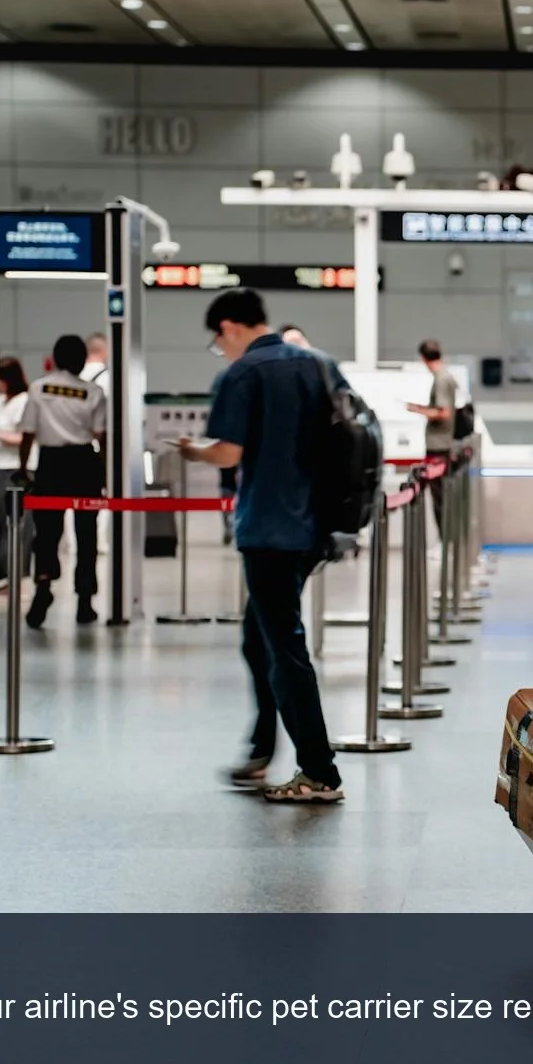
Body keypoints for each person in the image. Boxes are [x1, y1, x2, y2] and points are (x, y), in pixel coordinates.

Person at [178, 289, 344, 804]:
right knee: (259, 639)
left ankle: (319, 771)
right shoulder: (319, 365)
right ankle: (261, 748)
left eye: (218, 341)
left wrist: (193, 451)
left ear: (229, 326)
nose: (221, 349)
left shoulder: (243, 373)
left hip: (269, 528)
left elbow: (228, 453)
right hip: (314, 525)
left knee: (284, 648)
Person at [18, 335, 107, 628]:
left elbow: (28, 433)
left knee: (46, 532)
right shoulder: (93, 392)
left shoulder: (38, 388)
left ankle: (43, 586)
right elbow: (101, 436)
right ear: (81, 361)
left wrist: (24, 468)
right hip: (84, 463)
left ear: (55, 359)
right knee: (86, 535)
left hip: (51, 464)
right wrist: (106, 473)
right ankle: (85, 601)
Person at [406, 339, 458, 534]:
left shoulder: (441, 379)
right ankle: (446, 539)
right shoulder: (447, 377)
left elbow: (444, 412)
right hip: (444, 443)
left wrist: (418, 410)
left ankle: (445, 539)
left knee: (440, 498)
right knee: (441, 497)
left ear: (423, 358)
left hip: (439, 445)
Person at [0, 356, 35, 582]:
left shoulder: (23, 401)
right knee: (1, 520)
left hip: (17, 467)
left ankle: (17, 571)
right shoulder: (0, 401)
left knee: (18, 521)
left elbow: (24, 437)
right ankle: (2, 570)